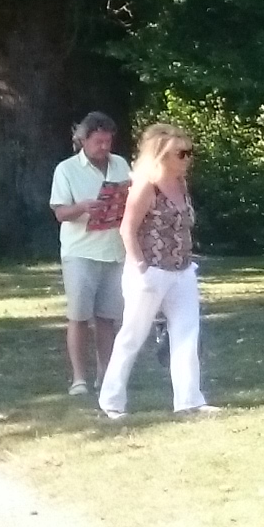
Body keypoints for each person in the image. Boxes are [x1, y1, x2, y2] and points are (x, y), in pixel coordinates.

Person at [97, 122, 212, 419]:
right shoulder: (146, 186)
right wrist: (141, 268)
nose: (187, 158)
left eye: (189, 152)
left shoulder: (181, 184)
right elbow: (127, 229)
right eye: (181, 153)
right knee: (132, 336)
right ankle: (111, 401)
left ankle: (189, 400)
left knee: (186, 334)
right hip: (150, 271)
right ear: (162, 155)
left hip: (182, 270)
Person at [49, 111, 132, 398]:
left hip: (114, 251)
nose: (104, 147)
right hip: (80, 251)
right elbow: (60, 213)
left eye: (108, 142)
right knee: (79, 316)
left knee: (108, 317)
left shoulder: (120, 164)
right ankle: (79, 378)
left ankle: (106, 374)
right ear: (83, 140)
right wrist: (83, 207)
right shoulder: (66, 169)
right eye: (98, 142)